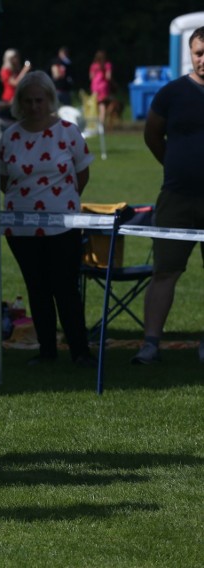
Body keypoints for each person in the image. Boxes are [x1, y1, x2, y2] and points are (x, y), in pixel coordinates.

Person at [0, 71, 97, 368]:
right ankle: (47, 350)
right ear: (19, 103)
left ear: (50, 100)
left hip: (63, 224)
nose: (34, 106)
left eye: (39, 100)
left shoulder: (68, 131)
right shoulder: (10, 135)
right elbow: (3, 179)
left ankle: (80, 350)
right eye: (27, 101)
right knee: (37, 288)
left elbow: (83, 172)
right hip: (20, 226)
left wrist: (63, 199)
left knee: (65, 287)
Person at [132, 26, 204, 365]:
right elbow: (152, 135)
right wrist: (174, 165)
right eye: (199, 53)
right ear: (190, 54)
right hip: (177, 197)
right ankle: (150, 343)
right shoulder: (171, 93)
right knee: (164, 271)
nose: (203, 59)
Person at [89, 50, 113, 127]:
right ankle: (101, 124)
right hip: (103, 86)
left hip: (95, 86)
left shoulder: (93, 65)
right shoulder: (107, 65)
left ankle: (94, 122)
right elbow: (108, 77)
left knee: (95, 105)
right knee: (102, 105)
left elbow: (91, 77)